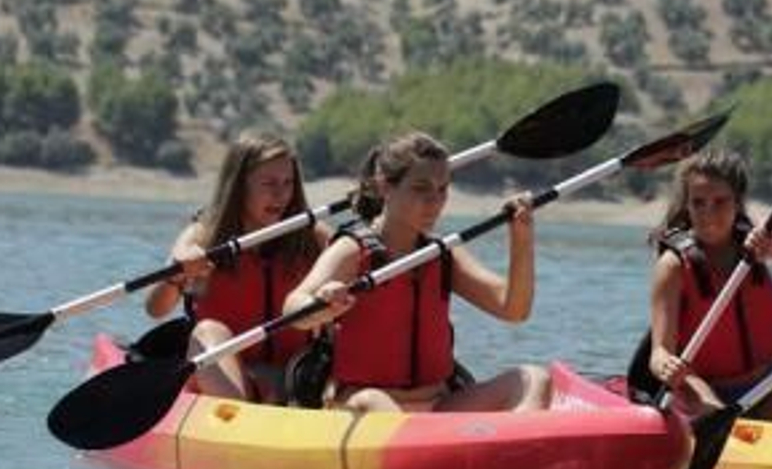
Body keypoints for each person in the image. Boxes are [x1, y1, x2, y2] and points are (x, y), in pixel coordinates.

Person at [284, 130, 551, 414]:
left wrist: (521, 238)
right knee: (374, 401)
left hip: (438, 404)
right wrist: (322, 304)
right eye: (421, 188)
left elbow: (513, 309)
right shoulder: (352, 250)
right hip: (363, 404)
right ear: (385, 187)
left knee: (534, 379)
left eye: (442, 189)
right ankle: (422, 441)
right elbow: (293, 306)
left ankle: (514, 444)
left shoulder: (443, 253)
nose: (435, 202)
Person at [639, 147, 772, 422]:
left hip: (765, 387)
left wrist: (771, 243)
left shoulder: (758, 239)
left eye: (720, 201)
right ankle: (726, 428)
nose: (708, 213)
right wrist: (666, 366)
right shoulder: (673, 266)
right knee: (721, 419)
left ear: (738, 203)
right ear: (687, 205)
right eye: (698, 203)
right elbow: (659, 353)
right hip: (701, 390)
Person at [144, 133, 328, 402]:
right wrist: (178, 274)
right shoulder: (204, 236)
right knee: (207, 331)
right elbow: (155, 308)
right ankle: (239, 413)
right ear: (239, 186)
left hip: (292, 381)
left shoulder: (313, 238)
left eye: (288, 183)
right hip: (219, 377)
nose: (281, 194)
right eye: (269, 183)